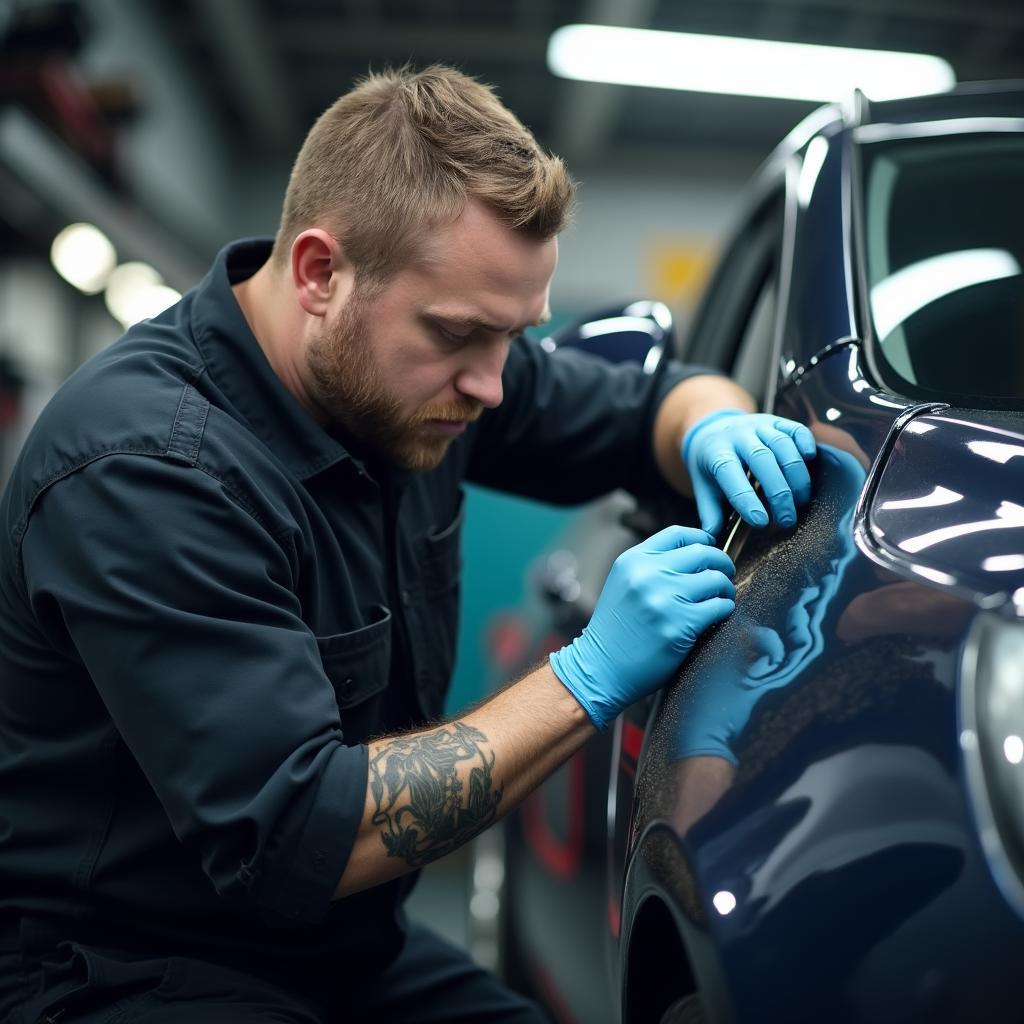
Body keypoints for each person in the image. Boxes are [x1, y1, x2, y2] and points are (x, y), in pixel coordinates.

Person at [0, 65, 815, 1023]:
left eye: (516, 336)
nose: (495, 386)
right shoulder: (146, 467)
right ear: (319, 273)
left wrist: (718, 427)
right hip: (127, 971)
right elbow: (304, 829)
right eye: (463, 334)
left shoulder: (420, 374)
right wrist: (588, 675)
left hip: (342, 957)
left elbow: (651, 401)